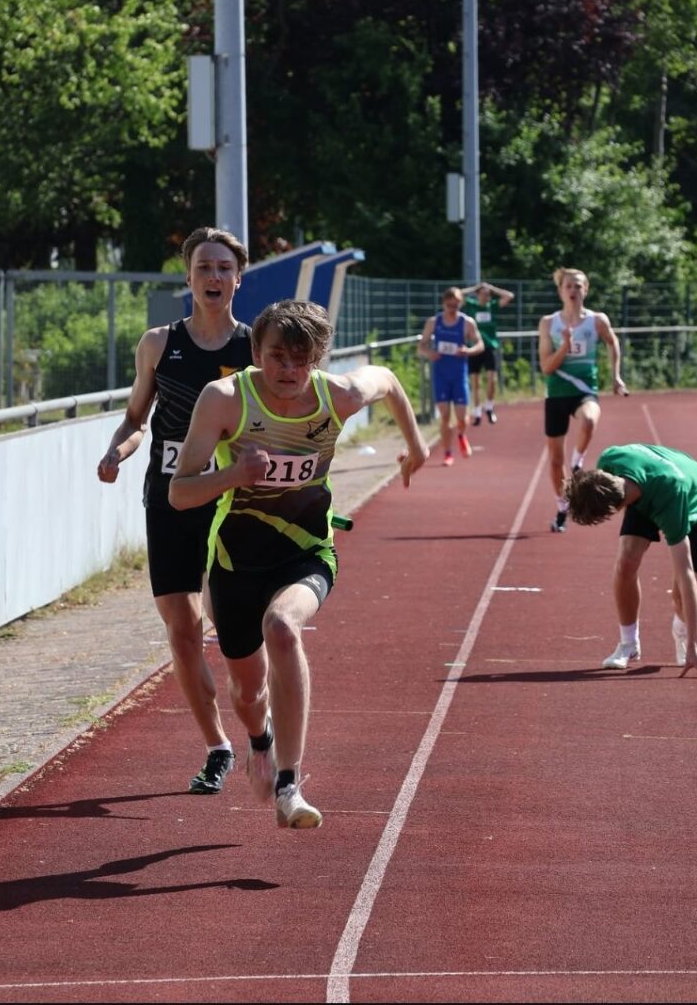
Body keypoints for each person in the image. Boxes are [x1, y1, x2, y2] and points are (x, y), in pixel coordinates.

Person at [168, 299, 429, 828]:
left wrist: (417, 446)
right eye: (276, 357)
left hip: (306, 550)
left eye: (300, 360)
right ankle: (259, 740)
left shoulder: (339, 396)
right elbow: (179, 493)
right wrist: (233, 475)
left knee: (283, 628)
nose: (287, 370)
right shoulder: (224, 399)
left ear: (318, 359)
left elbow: (389, 381)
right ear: (256, 352)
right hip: (235, 560)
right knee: (249, 694)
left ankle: (290, 783)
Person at [98, 226, 255, 798]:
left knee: (237, 627)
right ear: (188, 277)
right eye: (203, 267)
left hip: (234, 501)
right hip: (170, 500)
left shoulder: (255, 347)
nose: (214, 277)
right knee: (183, 632)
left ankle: (262, 724)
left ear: (238, 279)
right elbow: (136, 419)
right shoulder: (158, 344)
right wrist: (116, 451)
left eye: (223, 268)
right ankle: (218, 747)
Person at [564, 443, 697, 679]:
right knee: (626, 563)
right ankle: (628, 644)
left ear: (616, 507)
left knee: (681, 595)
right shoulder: (609, 460)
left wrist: (694, 645)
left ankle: (681, 633)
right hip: (646, 488)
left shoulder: (672, 498)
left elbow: (686, 574)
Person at [538, 267, 628, 533]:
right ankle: (562, 508)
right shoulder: (549, 323)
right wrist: (565, 346)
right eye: (568, 286)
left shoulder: (597, 321)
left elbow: (612, 342)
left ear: (585, 290)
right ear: (560, 291)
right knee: (556, 461)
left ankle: (577, 461)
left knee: (589, 420)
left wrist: (616, 376)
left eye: (578, 286)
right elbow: (546, 367)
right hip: (556, 393)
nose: (573, 290)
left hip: (585, 390)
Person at [417, 286, 484, 467]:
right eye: (449, 305)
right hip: (441, 375)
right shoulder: (434, 322)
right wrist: (430, 353)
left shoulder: (467, 323)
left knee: (461, 417)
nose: (452, 309)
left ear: (461, 304)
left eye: (456, 305)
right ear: (443, 303)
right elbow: (421, 346)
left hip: (459, 375)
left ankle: (461, 434)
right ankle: (448, 453)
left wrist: (468, 350)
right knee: (445, 416)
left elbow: (480, 344)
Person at [460, 282, 514, 425]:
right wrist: (474, 289)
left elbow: (509, 296)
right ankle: (477, 411)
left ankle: (489, 407)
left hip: (490, 347)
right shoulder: (472, 305)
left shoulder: (492, 306)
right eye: (483, 294)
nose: (486, 296)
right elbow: (457, 295)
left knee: (492, 379)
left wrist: (493, 289)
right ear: (478, 295)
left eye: (488, 294)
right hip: (475, 347)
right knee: (475, 381)